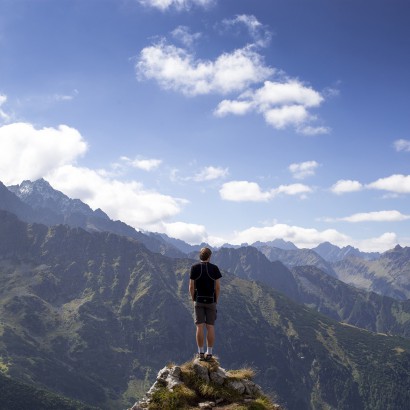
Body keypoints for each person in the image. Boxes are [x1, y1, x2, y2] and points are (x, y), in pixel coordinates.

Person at [189, 247, 222, 361]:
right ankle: (210, 353)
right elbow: (217, 287)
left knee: (199, 326)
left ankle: (200, 353)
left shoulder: (194, 268)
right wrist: (216, 300)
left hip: (198, 300)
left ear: (200, 256)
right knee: (210, 327)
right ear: (209, 256)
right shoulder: (214, 269)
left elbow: (191, 286)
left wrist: (194, 299)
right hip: (211, 301)